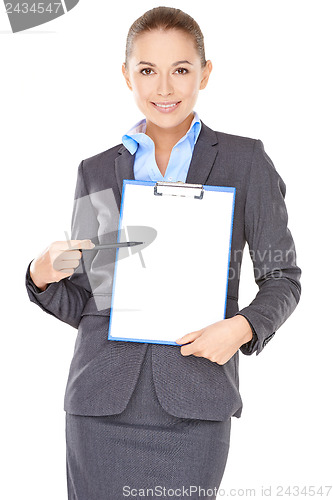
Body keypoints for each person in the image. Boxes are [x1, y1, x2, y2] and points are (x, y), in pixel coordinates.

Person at [25, 6, 301, 500]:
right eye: (147, 71)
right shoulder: (96, 170)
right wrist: (41, 275)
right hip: (98, 408)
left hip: (194, 404)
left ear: (205, 73)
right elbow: (95, 302)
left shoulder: (244, 160)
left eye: (181, 70)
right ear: (126, 75)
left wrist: (240, 329)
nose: (164, 88)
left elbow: (283, 277)